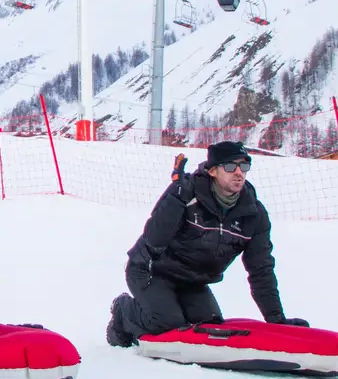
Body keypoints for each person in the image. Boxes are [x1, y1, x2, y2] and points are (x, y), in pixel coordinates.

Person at [107, 140, 305, 347]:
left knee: (208, 329)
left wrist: (276, 319)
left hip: (193, 280)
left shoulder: (254, 214)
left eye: (244, 166)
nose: (239, 172)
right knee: (167, 324)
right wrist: (175, 199)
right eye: (230, 166)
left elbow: (261, 270)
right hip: (151, 270)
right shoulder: (187, 192)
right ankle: (123, 311)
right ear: (212, 171)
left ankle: (169, 309)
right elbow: (154, 238)